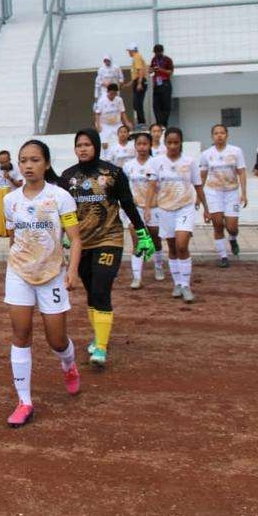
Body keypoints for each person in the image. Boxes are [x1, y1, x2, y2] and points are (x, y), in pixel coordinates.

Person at [2, 139, 83, 428]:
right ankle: (24, 401)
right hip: (19, 273)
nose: (28, 165)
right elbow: (11, 235)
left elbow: (74, 239)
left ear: (46, 164)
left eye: (35, 160)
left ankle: (68, 364)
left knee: (56, 339)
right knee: (21, 333)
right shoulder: (10, 201)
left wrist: (71, 271)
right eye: (23, 160)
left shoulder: (60, 197)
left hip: (52, 275)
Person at [60, 129, 153, 366]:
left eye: (88, 144)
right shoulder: (67, 177)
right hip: (82, 244)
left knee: (102, 289)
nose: (83, 149)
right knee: (92, 292)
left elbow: (128, 204)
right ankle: (98, 336)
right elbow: (61, 210)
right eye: (79, 145)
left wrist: (142, 233)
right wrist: (62, 238)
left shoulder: (113, 173)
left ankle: (100, 348)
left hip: (109, 240)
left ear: (97, 146)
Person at [146, 127, 207, 303]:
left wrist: (206, 208)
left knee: (182, 245)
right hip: (165, 209)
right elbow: (151, 186)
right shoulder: (156, 162)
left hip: (185, 207)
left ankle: (186, 285)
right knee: (172, 247)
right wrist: (149, 208)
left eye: (176, 142)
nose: (173, 146)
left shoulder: (189, 161)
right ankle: (177, 283)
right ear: (165, 143)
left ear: (181, 143)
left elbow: (198, 185)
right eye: (169, 142)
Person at [121, 132, 166, 288]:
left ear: (150, 145)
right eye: (139, 144)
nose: (142, 147)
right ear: (135, 146)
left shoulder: (156, 163)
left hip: (154, 208)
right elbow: (124, 186)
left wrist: (149, 207)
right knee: (138, 241)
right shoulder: (128, 166)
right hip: (135, 209)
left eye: (145, 144)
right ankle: (137, 277)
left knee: (155, 240)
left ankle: (159, 267)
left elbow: (158, 186)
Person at [199, 125, 248, 268]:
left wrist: (244, 193)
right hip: (213, 192)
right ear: (212, 136)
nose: (219, 136)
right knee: (218, 224)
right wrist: (199, 196)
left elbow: (242, 172)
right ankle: (223, 256)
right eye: (216, 133)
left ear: (227, 135)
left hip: (231, 191)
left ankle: (233, 239)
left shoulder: (236, 151)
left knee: (232, 227)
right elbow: (202, 176)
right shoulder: (206, 154)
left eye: (222, 133)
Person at [93, 83, 131, 153]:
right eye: (111, 93)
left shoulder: (119, 100)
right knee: (104, 143)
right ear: (107, 92)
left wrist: (127, 122)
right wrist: (98, 125)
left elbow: (122, 112)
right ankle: (106, 156)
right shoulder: (101, 101)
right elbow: (97, 114)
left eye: (115, 94)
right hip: (105, 124)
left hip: (117, 124)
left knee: (123, 138)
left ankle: (121, 152)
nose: (113, 96)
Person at [150, 44, 174, 127]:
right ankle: (159, 123)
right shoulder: (154, 59)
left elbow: (170, 72)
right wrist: (151, 70)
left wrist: (160, 69)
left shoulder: (167, 60)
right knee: (156, 105)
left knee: (166, 104)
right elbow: (151, 71)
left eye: (158, 52)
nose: (157, 54)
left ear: (162, 52)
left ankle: (164, 123)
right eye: (155, 52)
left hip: (165, 83)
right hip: (157, 84)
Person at [127, 44, 148, 125]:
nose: (128, 53)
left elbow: (140, 71)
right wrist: (130, 83)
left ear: (132, 50)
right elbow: (136, 73)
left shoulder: (136, 57)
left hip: (140, 81)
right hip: (138, 80)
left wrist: (139, 83)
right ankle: (140, 122)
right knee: (136, 104)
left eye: (129, 51)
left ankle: (141, 123)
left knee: (137, 104)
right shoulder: (137, 57)